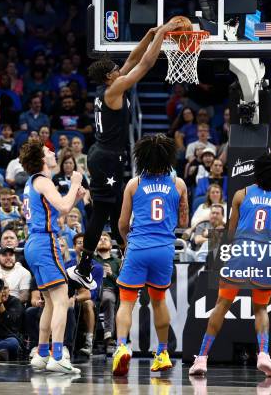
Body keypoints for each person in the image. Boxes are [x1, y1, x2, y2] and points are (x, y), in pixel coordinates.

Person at [68, 20, 180, 289]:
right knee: (103, 211)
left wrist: (149, 35)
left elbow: (132, 58)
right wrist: (163, 36)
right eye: (116, 70)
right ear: (110, 77)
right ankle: (84, 267)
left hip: (106, 155)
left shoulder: (109, 86)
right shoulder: (114, 89)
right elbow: (145, 65)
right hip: (107, 157)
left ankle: (128, 255)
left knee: (116, 207)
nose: (120, 70)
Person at [189, 153, 271, 378]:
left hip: (240, 252)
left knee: (222, 305)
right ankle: (263, 354)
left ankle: (202, 358)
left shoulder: (241, 194)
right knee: (261, 308)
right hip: (265, 254)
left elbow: (231, 232)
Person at [111, 134, 188, 376]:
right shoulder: (179, 184)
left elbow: (122, 223)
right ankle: (162, 352)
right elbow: (184, 221)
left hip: (138, 246)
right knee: (159, 301)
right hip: (164, 248)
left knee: (126, 302)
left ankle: (122, 346)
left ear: (141, 157)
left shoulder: (134, 184)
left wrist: (126, 244)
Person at [20, 139, 85, 373]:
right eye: (48, 150)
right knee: (61, 301)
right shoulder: (44, 181)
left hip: (33, 243)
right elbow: (65, 210)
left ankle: (42, 352)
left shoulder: (31, 183)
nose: (52, 151)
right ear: (40, 158)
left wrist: (75, 197)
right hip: (45, 242)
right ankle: (58, 355)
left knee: (49, 301)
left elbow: (57, 212)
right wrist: (75, 182)